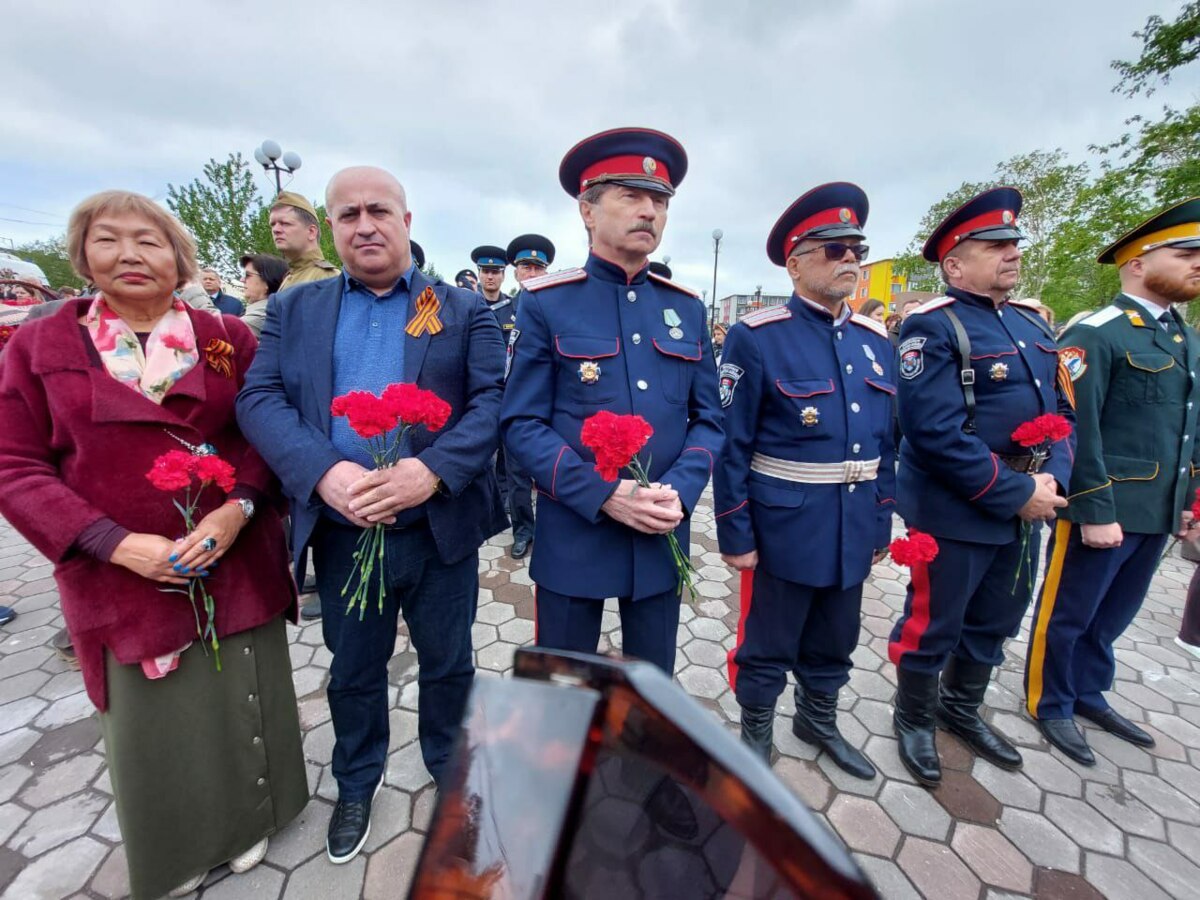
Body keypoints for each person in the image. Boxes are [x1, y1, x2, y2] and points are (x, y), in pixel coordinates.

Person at [0, 190, 305, 899]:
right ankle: (179, 842)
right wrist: (110, 542)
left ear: (179, 258)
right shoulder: (41, 345)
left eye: (150, 240)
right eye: (109, 240)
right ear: (82, 255)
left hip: (233, 555)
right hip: (119, 571)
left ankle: (257, 814)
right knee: (155, 719)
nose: (131, 254)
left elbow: (262, 429)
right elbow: (15, 466)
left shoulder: (227, 337)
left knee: (243, 696)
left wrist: (238, 509)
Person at [237, 166, 507, 864]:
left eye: (378, 210)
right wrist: (324, 472)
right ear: (331, 228)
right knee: (354, 666)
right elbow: (259, 399)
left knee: (450, 662)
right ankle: (358, 777)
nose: (365, 224)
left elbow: (491, 403)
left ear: (407, 221)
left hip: (437, 527)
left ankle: (453, 770)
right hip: (345, 528)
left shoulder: (460, 308)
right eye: (348, 213)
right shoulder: (297, 311)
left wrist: (432, 471)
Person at [500, 126, 723, 674]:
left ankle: (637, 765)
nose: (650, 211)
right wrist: (603, 495)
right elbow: (521, 423)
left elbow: (711, 421)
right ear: (588, 211)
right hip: (578, 531)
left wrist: (682, 489)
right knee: (563, 688)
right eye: (632, 196)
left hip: (660, 530)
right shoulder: (547, 303)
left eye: (660, 200)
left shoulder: (686, 309)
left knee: (650, 692)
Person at [889, 187, 1075, 787]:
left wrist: (1052, 479)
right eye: (995, 245)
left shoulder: (1027, 324)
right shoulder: (933, 328)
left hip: (1026, 505)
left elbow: (1063, 415)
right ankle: (914, 717)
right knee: (935, 620)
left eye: (1014, 243)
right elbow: (935, 433)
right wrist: (1018, 494)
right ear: (953, 264)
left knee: (999, 615)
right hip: (958, 507)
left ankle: (961, 707)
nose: (1012, 254)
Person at [716, 183, 895, 777]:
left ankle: (817, 719)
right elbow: (732, 443)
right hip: (785, 523)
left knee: (835, 637)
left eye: (856, 250)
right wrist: (735, 534)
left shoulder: (875, 344)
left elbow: (886, 444)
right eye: (834, 249)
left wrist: (880, 521)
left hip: (852, 522)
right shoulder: (758, 335)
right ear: (796, 264)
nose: (851, 260)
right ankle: (755, 735)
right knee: (769, 641)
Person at [1025, 198, 1200, 764]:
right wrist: (1094, 510)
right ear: (1137, 263)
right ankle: (1048, 701)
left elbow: (1186, 430)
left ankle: (1086, 691)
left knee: (1116, 611)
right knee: (1071, 608)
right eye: (1186, 252)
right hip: (1107, 505)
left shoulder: (1184, 338)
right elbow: (1077, 429)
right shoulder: (1095, 333)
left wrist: (1189, 502)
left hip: (1157, 506)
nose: (1198, 264)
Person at [499, 234, 556, 559]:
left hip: (552, 408)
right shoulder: (501, 312)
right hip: (515, 406)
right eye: (525, 266)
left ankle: (552, 532)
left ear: (547, 271)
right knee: (518, 476)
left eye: (538, 267)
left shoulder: (560, 310)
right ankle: (523, 530)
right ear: (516, 271)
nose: (532, 273)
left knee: (552, 471)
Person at [270, 191, 341, 291]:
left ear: (311, 232)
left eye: (285, 223)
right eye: (273, 224)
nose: (276, 230)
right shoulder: (290, 277)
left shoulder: (326, 278)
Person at [239, 253, 289, 338]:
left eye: (248, 275)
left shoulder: (263, 316)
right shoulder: (277, 310)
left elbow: (218, 333)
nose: (242, 280)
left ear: (267, 281)